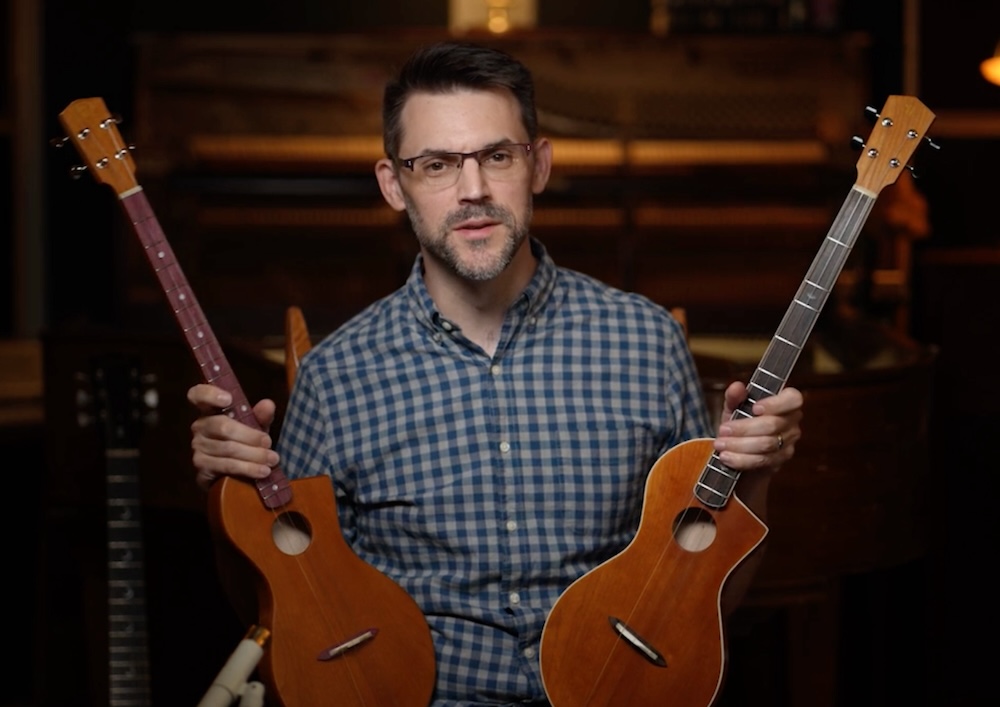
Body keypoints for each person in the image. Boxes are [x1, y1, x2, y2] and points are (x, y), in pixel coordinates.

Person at [187, 40, 804, 706]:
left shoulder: (646, 343)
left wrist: (755, 479)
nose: (473, 189)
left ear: (538, 164)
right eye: (436, 164)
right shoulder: (338, 376)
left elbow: (696, 605)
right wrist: (229, 497)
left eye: (497, 156)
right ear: (394, 184)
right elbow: (283, 607)